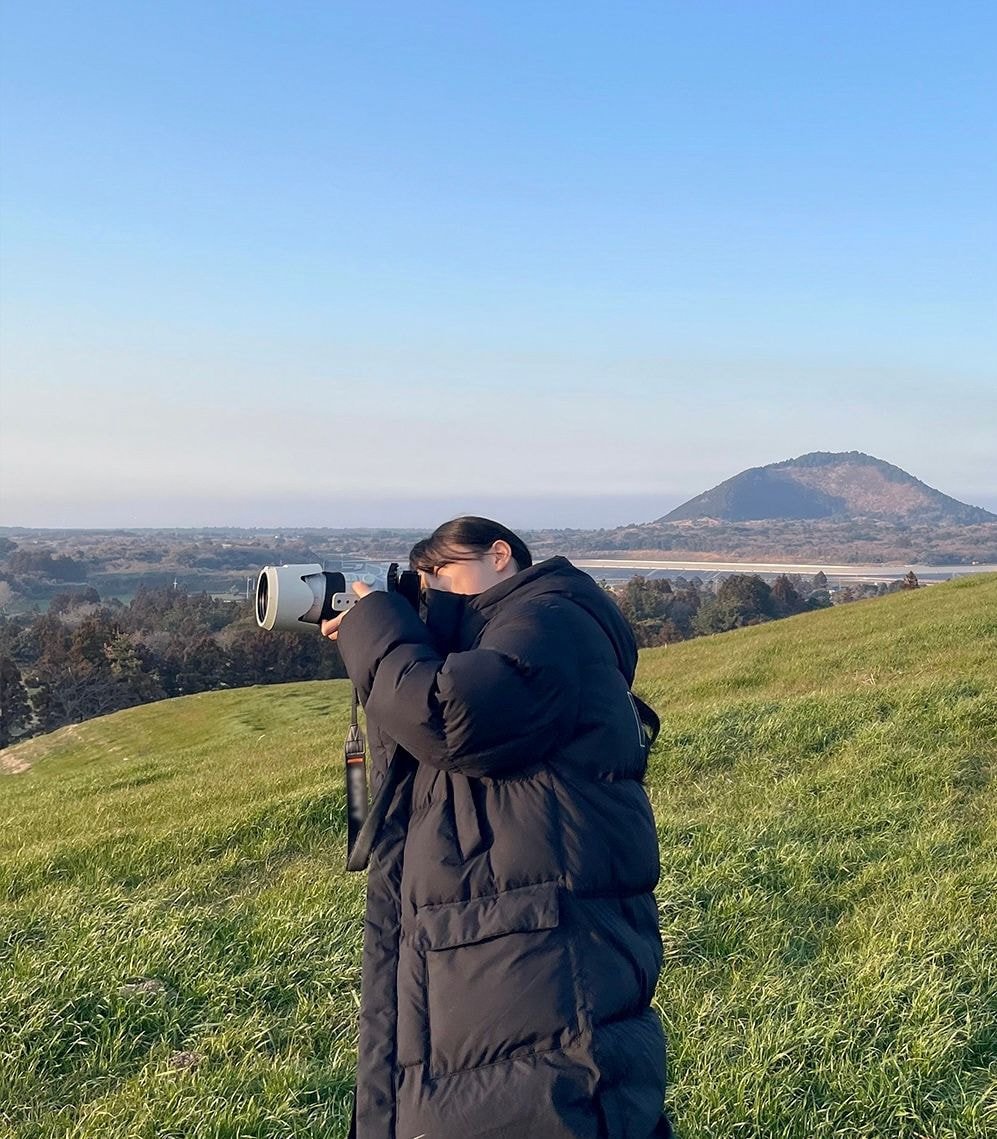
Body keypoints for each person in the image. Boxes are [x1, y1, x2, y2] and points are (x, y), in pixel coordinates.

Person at [322, 517, 672, 1139]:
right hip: (491, 955)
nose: (435, 590)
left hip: (532, 968)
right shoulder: (499, 637)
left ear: (501, 554)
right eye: (424, 581)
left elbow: (453, 718)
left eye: (441, 572)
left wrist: (376, 629)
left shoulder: (549, 616)